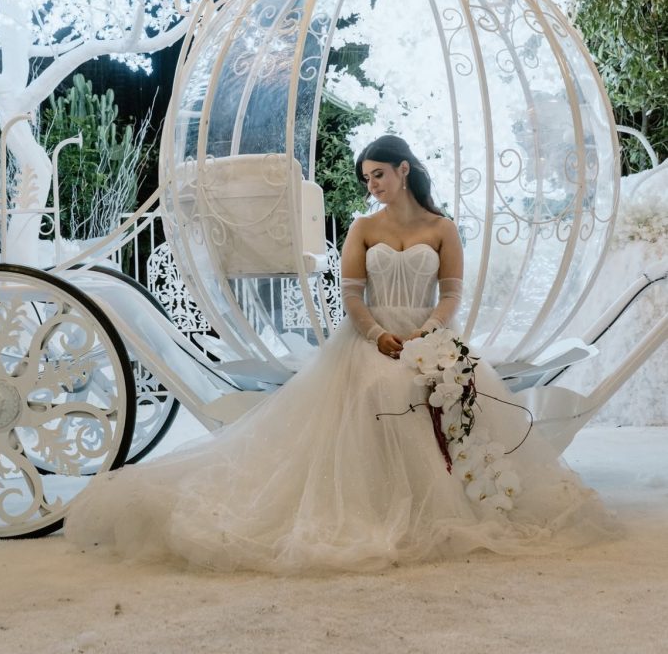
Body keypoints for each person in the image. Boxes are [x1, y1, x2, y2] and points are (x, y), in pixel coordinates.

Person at [66, 135, 612, 572]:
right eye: (366, 178)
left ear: (404, 170)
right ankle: (375, 504)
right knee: (381, 387)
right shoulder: (363, 228)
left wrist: (427, 333)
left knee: (446, 394)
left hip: (430, 335)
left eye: (379, 174)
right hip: (369, 337)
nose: (372, 185)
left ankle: (448, 501)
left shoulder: (442, 227)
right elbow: (352, 294)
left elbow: (451, 293)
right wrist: (377, 335)